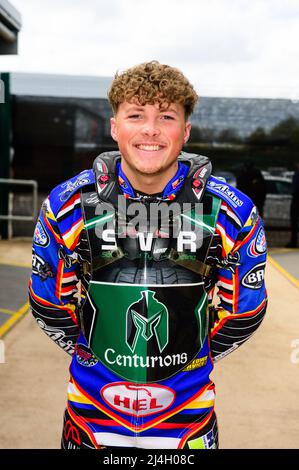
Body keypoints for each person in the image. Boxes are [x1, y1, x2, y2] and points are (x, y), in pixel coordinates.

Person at [29, 61, 267, 449]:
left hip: (186, 416)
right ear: (114, 126)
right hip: (91, 410)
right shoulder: (68, 204)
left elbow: (245, 312)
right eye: (136, 114)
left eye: (167, 116)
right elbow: (47, 301)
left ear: (185, 131)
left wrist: (187, 362)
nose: (151, 129)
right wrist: (95, 360)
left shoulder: (231, 212)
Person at [286, 162, 299, 248]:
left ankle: (294, 241)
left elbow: (295, 188)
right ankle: (293, 241)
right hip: (296, 198)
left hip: (296, 199)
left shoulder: (296, 174)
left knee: (294, 221)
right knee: (294, 222)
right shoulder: (296, 174)